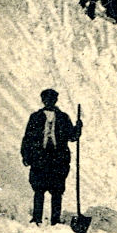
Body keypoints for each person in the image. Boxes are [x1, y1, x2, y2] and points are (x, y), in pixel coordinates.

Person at [20, 88, 82, 225]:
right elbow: (28, 137)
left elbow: (72, 136)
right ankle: (37, 218)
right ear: (43, 100)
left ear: (56, 100)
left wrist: (78, 128)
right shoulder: (35, 117)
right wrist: (26, 155)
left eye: (52, 99)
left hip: (58, 159)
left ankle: (55, 220)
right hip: (39, 158)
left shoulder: (63, 117)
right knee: (39, 189)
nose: (49, 102)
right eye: (46, 99)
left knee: (57, 190)